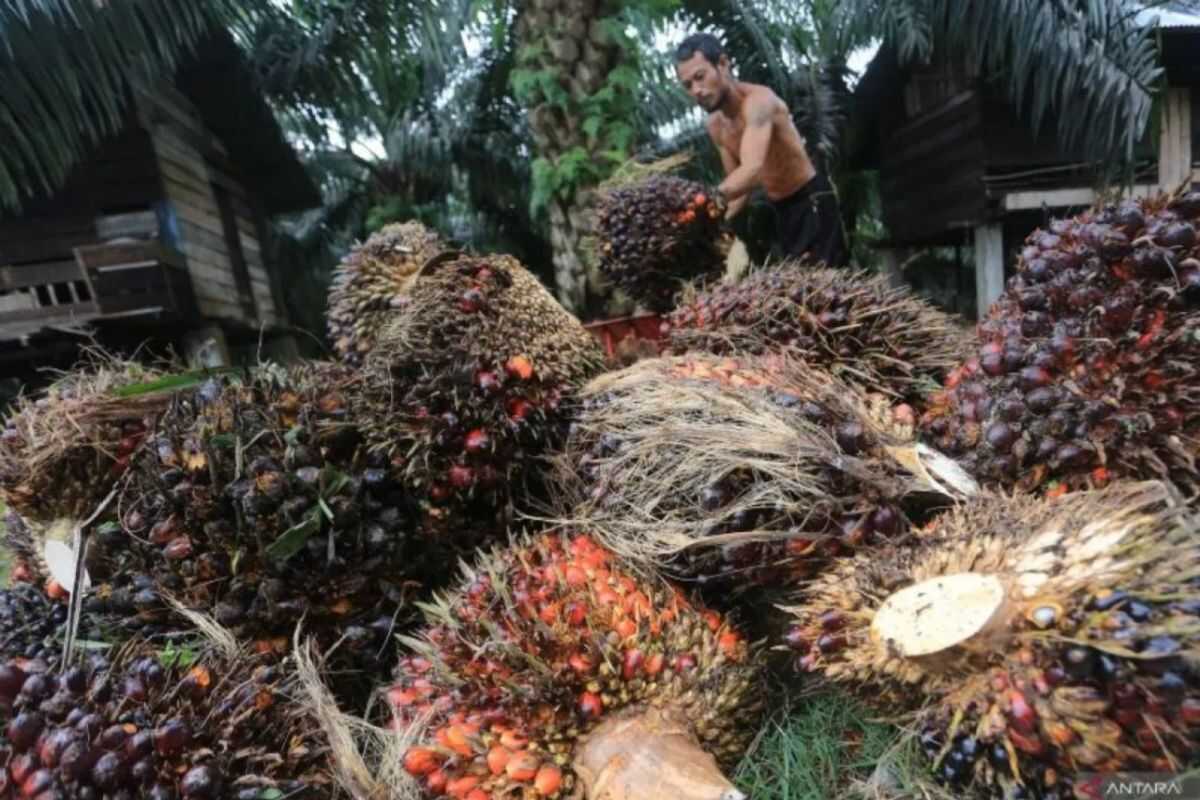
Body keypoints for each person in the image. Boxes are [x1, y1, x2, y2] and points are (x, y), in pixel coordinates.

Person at [675, 32, 848, 267]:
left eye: (700, 77)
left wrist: (703, 202)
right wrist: (707, 224)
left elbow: (752, 170)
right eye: (688, 85)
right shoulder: (716, 126)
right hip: (781, 209)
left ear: (723, 64)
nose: (696, 90)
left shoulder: (759, 102)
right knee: (801, 289)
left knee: (828, 285)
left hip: (811, 199)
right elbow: (739, 189)